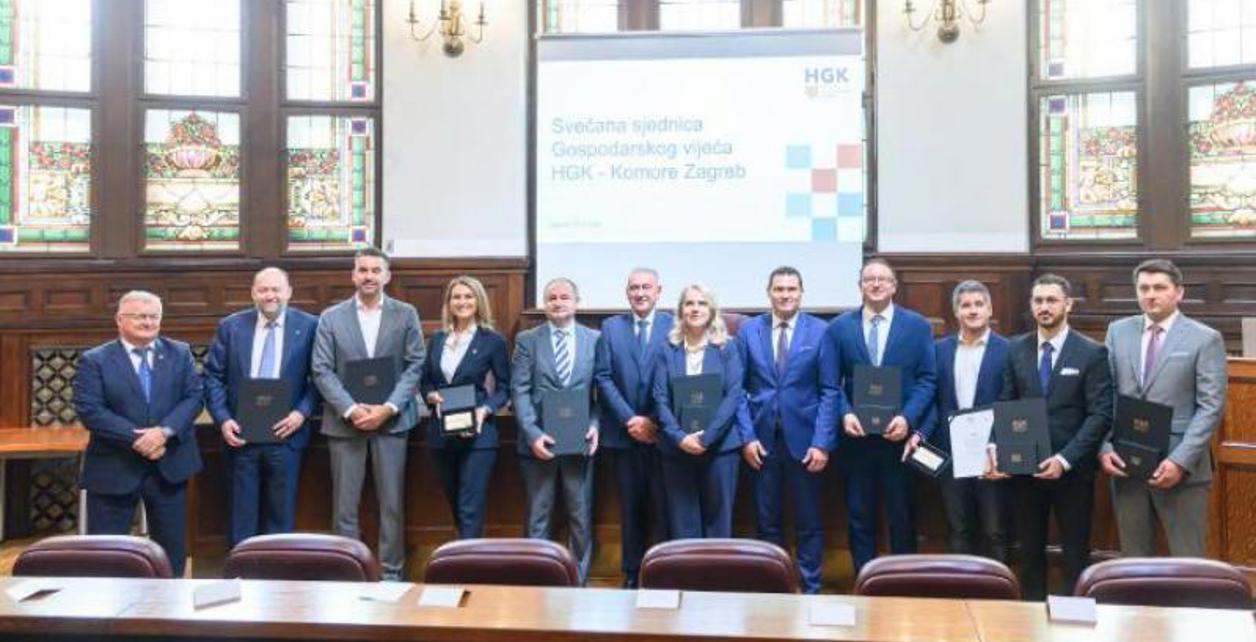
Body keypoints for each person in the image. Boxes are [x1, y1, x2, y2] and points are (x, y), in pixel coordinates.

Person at [994, 273, 1111, 600]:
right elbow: (1006, 403)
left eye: (1052, 300)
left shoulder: (1091, 352)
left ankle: (1074, 619)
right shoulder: (1016, 348)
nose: (1044, 307)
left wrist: (1065, 459)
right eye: (1038, 300)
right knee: (1029, 553)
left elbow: (1101, 414)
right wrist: (998, 448)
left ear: (1068, 304)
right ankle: (1032, 617)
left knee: (1075, 553)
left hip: (1072, 471)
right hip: (1025, 471)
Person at [312, 247, 425, 581]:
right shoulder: (331, 317)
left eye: (376, 270)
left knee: (392, 505)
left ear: (387, 276)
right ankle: (348, 572)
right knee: (344, 507)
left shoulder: (406, 314)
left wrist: (388, 408)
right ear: (353, 275)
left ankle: (391, 574)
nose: (369, 276)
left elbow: (415, 364)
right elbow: (321, 369)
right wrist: (350, 409)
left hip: (391, 422)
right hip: (345, 424)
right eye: (363, 270)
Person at [1101, 259, 1226, 557]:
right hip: (1126, 464)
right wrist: (1104, 447)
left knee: (1188, 560)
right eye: (1144, 288)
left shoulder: (1204, 338)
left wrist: (1180, 461)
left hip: (1181, 468)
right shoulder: (1118, 331)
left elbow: (1211, 406)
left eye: (1159, 288)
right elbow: (1105, 395)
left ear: (1179, 292)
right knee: (1134, 562)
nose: (1151, 295)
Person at [73, 290, 203, 577]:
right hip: (114, 467)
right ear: (119, 320)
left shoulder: (179, 352)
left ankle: (168, 603)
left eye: (154, 316)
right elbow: (90, 410)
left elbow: (194, 397)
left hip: (169, 466)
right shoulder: (95, 360)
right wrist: (140, 439)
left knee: (171, 552)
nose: (148, 322)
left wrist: (164, 432)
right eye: (140, 316)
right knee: (107, 554)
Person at [822, 258, 936, 574]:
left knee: (902, 516)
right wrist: (844, 413)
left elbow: (928, 379)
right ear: (860, 286)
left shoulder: (917, 326)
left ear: (894, 286)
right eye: (868, 279)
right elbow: (830, 383)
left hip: (899, 441)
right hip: (855, 440)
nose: (875, 284)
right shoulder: (839, 328)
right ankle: (865, 579)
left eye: (882, 279)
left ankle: (903, 580)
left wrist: (908, 418)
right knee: (859, 517)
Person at [737, 266, 836, 593]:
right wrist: (747, 437)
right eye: (779, 289)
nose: (785, 295)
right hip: (761, 442)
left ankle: (810, 589)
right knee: (767, 522)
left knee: (809, 521)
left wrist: (822, 443)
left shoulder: (820, 332)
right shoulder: (749, 330)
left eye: (791, 289)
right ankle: (773, 587)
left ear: (801, 293)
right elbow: (737, 389)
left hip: (806, 443)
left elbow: (829, 391)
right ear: (769, 293)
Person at [204, 267, 319, 547]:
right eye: (263, 290)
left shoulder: (310, 326)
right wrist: (223, 419)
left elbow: (320, 377)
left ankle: (276, 569)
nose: (270, 295)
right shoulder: (231, 326)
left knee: (281, 515)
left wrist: (301, 413)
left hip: (287, 436)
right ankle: (242, 568)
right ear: (253, 293)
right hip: (240, 436)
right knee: (241, 516)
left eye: (276, 289)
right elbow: (213, 376)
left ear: (289, 292)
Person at [511, 277, 600, 584]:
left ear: (577, 302)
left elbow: (601, 391)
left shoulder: (595, 339)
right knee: (538, 515)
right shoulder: (527, 340)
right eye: (552, 298)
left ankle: (578, 581)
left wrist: (595, 425)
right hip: (539, 444)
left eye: (564, 297)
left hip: (580, 443)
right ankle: (537, 580)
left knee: (580, 516)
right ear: (544, 304)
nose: (558, 302)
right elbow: (519, 390)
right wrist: (533, 434)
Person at [594, 267, 673, 588]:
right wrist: (631, 419)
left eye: (646, 287)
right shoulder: (611, 327)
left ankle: (664, 573)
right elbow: (603, 377)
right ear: (627, 292)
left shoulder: (673, 325)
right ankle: (631, 573)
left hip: (663, 435)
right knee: (630, 508)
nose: (640, 293)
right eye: (634, 288)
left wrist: (653, 419)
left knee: (664, 507)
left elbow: (676, 376)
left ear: (658, 291)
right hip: (623, 434)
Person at [420, 276, 510, 540]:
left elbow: (505, 387)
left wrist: (486, 410)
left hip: (478, 434)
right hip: (441, 433)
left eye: (468, 296)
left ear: (478, 301)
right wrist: (430, 395)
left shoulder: (492, 340)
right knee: (454, 502)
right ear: (449, 303)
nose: (462, 302)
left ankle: (467, 562)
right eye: (456, 297)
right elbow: (426, 381)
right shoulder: (438, 339)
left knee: (470, 506)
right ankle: (467, 551)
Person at [652, 284, 746, 539]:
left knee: (719, 523)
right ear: (681, 310)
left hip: (720, 448)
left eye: (702, 303)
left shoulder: (727, 348)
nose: (695, 309)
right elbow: (660, 398)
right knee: (683, 526)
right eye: (689, 303)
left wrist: (707, 438)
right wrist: (680, 437)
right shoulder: (666, 349)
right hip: (676, 449)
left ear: (711, 310)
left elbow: (733, 396)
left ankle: (715, 568)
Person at [933, 280, 1010, 561]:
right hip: (951, 454)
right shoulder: (939, 350)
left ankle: (999, 588)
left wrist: (998, 445)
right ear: (956, 312)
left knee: (995, 531)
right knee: (959, 529)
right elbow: (932, 397)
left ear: (990, 309)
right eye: (966, 305)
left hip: (992, 454)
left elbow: (1012, 402)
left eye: (979, 304)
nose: (973, 310)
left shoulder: (1009, 350)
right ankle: (961, 585)